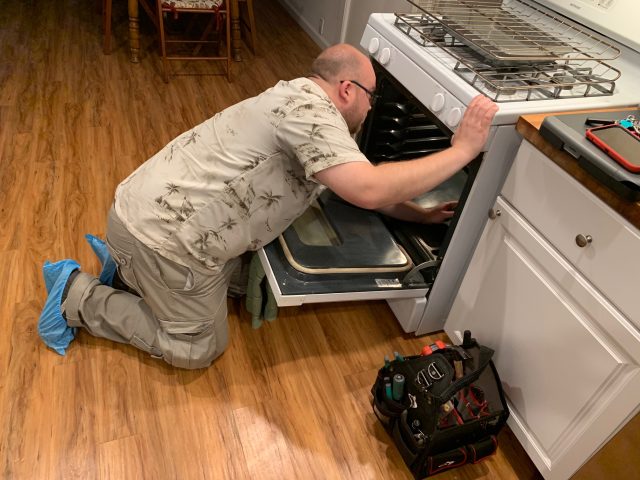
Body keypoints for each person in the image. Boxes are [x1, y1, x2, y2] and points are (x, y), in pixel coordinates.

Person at [38, 44, 498, 369]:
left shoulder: (295, 97)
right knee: (198, 349)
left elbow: (360, 185)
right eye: (371, 96)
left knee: (238, 283)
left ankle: (129, 273)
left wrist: (418, 215)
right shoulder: (312, 114)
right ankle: (79, 296)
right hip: (163, 241)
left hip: (146, 214)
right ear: (347, 89)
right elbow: (368, 189)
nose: (371, 107)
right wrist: (462, 150)